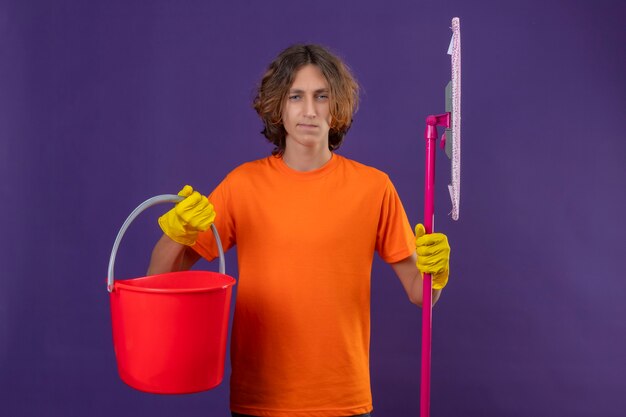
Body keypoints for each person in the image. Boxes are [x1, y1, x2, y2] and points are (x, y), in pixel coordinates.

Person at [148, 44, 451, 417]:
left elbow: (420, 295)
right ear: (278, 105)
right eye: (296, 96)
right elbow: (159, 281)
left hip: (343, 399)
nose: (309, 110)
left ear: (336, 107)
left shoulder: (374, 188)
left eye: (321, 96)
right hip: (260, 400)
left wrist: (435, 274)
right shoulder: (242, 185)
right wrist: (173, 234)